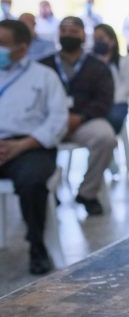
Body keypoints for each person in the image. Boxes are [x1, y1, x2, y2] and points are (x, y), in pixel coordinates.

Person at [0, 20, 69, 274]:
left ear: (23, 47)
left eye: (3, 44)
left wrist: (22, 145)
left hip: (32, 146)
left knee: (32, 181)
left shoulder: (44, 76)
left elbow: (59, 120)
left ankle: (37, 247)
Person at [39, 17, 116, 216]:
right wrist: (56, 119)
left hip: (83, 121)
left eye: (73, 31)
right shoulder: (44, 66)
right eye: (63, 31)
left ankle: (87, 193)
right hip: (49, 122)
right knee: (34, 139)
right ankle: (47, 191)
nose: (68, 35)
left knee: (106, 137)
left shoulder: (97, 67)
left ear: (83, 35)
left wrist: (80, 117)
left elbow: (104, 101)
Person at [93, 24, 129, 134]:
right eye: (95, 40)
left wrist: (110, 99)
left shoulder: (124, 61)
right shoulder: (92, 63)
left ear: (112, 41)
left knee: (113, 119)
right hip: (97, 103)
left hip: (118, 102)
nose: (98, 42)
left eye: (101, 38)